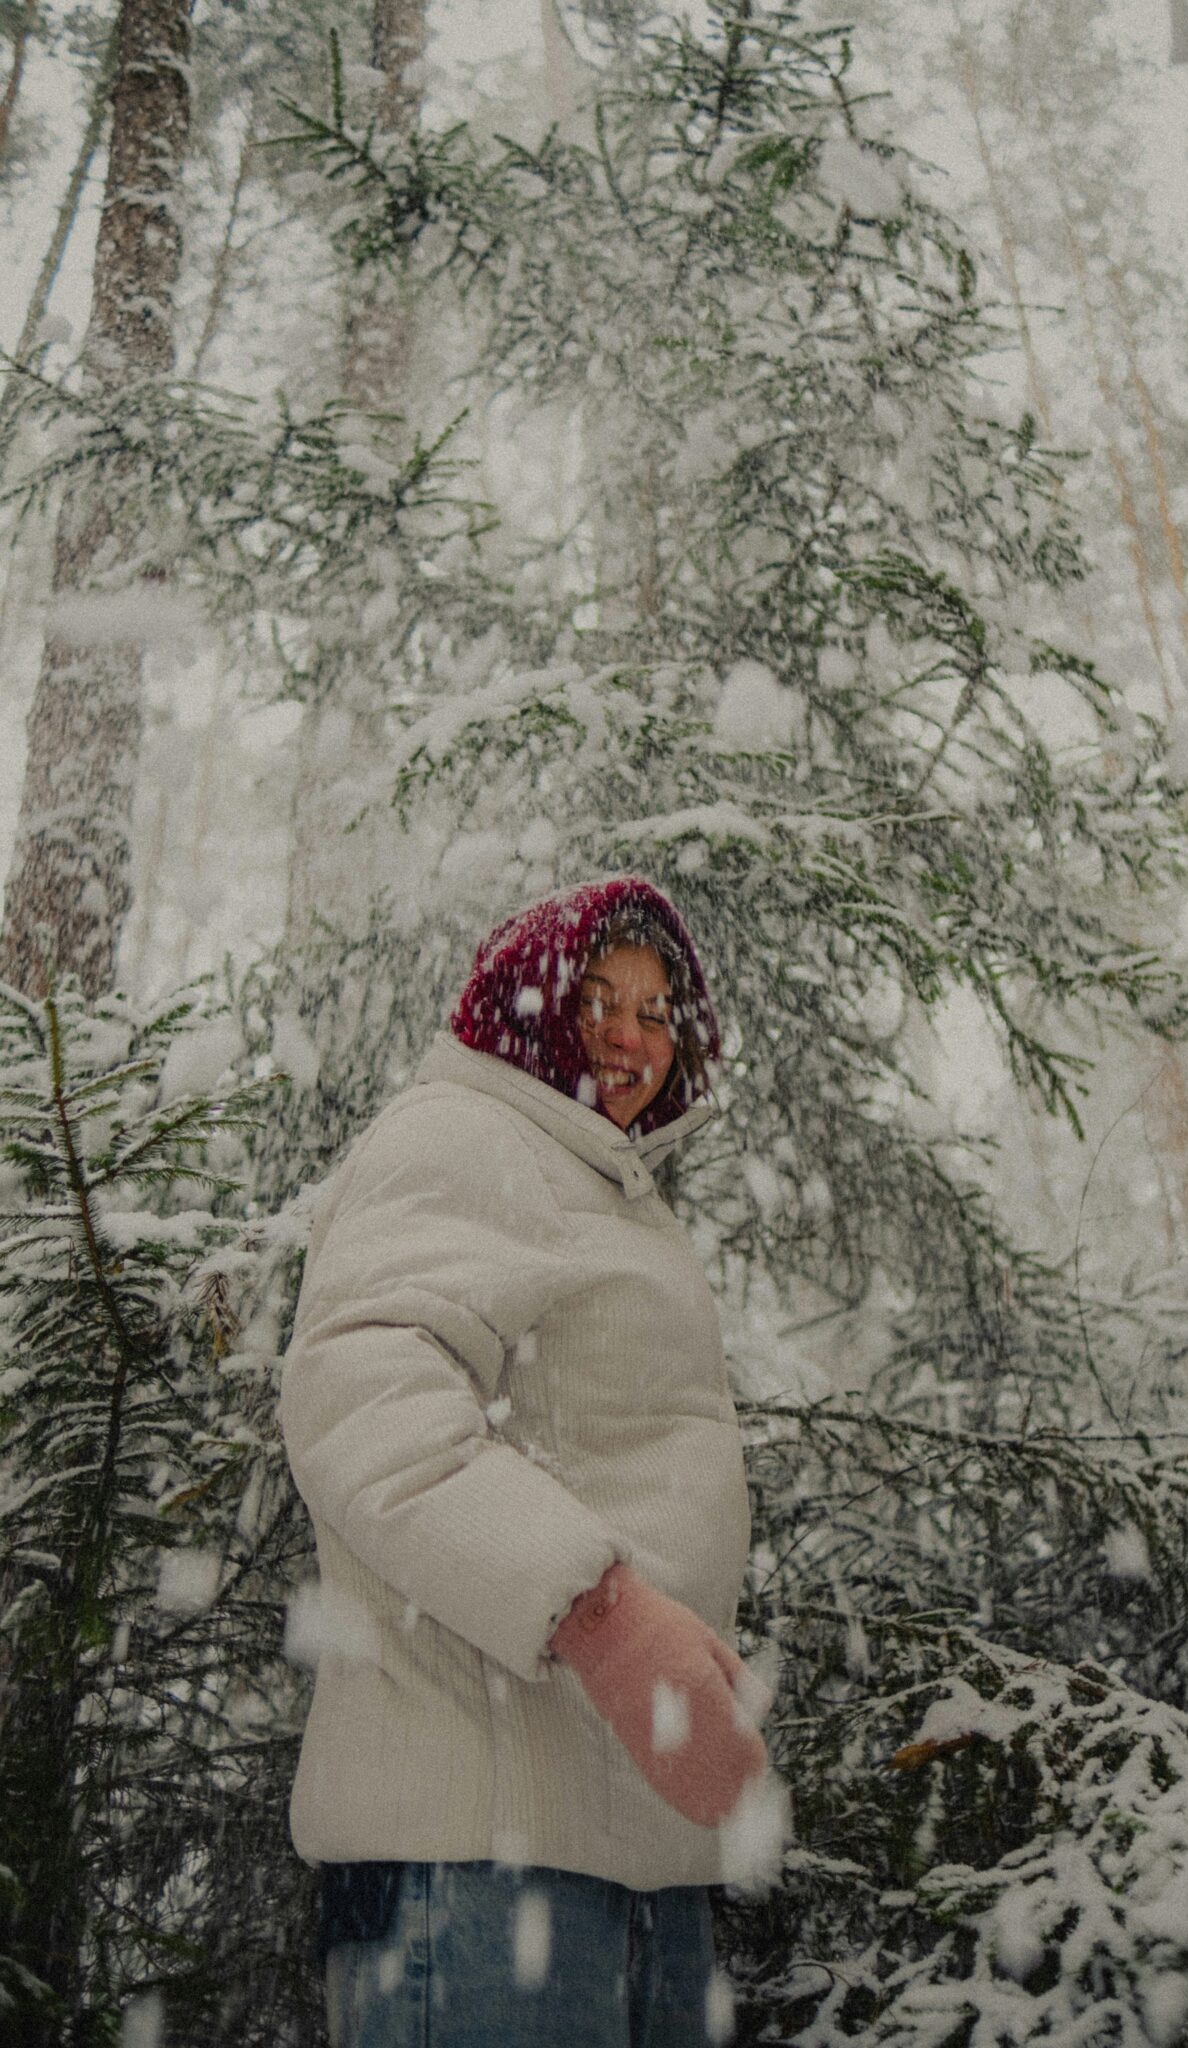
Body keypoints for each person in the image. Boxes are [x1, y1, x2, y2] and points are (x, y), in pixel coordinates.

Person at [279, 875, 770, 2048]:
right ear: (522, 1001)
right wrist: (606, 1619)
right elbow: (363, 1394)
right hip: (481, 1870)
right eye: (596, 992)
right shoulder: (464, 1133)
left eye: (659, 1011)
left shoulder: (605, 1186)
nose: (629, 1032)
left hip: (628, 1872)